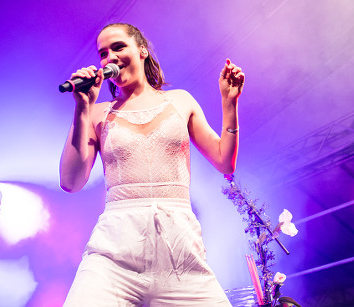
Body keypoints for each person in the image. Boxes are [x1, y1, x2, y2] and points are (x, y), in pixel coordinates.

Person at [59, 22, 244, 306]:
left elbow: (224, 162)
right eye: (103, 53)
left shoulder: (180, 101)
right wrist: (81, 108)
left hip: (181, 257)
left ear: (142, 51)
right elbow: (70, 183)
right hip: (114, 258)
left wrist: (229, 104)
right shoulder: (96, 113)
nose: (110, 57)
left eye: (118, 47)